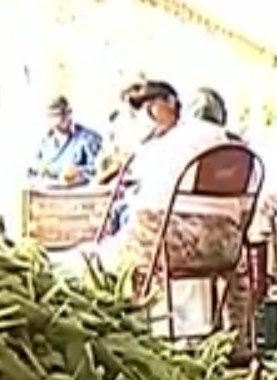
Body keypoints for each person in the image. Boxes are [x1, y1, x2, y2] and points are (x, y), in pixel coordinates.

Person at [79, 80, 254, 359]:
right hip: (225, 250)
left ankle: (131, 343)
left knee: (102, 260)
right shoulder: (235, 144)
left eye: (148, 109)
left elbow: (139, 198)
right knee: (237, 261)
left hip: (169, 246)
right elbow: (247, 212)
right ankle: (240, 342)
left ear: (165, 106)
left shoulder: (159, 145)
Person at [30, 96, 102, 185]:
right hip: (49, 193)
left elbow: (98, 171)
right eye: (52, 116)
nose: (59, 119)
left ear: (69, 113)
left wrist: (78, 174)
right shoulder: (44, 143)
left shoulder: (87, 139)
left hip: (80, 194)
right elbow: (34, 170)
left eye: (62, 114)